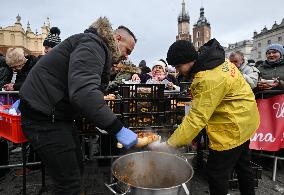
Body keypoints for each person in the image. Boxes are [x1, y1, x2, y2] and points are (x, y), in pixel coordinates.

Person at [19, 17, 138, 195]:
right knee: (68, 183)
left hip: (57, 116)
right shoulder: (93, 45)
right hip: (44, 118)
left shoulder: (93, 45)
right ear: (118, 39)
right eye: (128, 50)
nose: (127, 56)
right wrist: (117, 128)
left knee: (76, 165)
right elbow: (84, 93)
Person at [150, 39, 260, 195]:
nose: (178, 71)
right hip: (246, 119)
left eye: (178, 66)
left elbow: (197, 118)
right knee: (243, 166)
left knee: (217, 173)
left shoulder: (208, 78)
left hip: (232, 127)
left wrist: (169, 144)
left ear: (189, 60)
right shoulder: (214, 61)